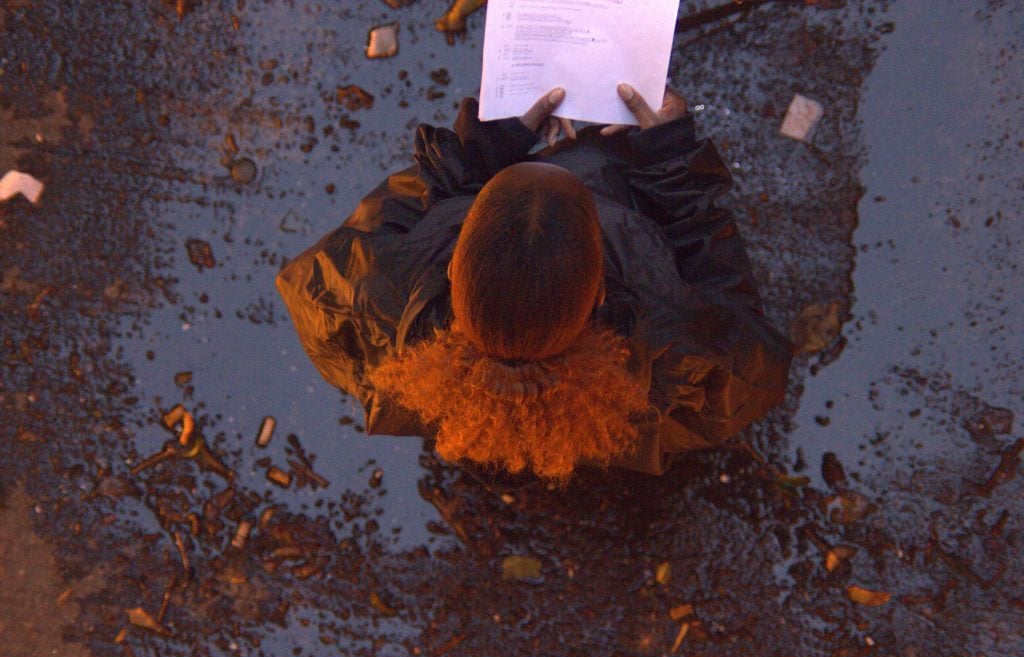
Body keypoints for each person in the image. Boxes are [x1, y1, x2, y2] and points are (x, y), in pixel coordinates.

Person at [276, 83, 793, 481]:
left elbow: (389, 217)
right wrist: (672, 158)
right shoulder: (680, 347)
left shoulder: (361, 294)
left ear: (455, 269)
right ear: (600, 294)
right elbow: (741, 336)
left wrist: (485, 150)